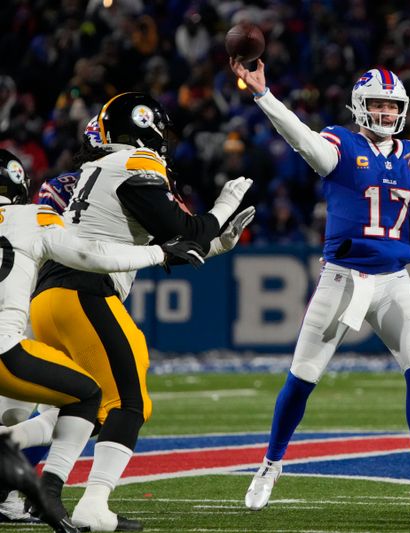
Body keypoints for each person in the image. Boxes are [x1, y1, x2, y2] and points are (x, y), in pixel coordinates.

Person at [28, 92, 253, 532]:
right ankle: (94, 506)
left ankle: (42, 491)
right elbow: (181, 229)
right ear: (147, 129)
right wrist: (223, 206)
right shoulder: (133, 164)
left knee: (76, 408)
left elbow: (166, 245)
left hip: (48, 298)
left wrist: (218, 243)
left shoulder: (97, 168)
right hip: (85, 293)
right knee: (129, 403)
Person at [231, 58, 410, 514]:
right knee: (303, 376)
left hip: (394, 282)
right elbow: (301, 139)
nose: (386, 114)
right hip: (343, 279)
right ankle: (271, 463)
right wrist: (263, 95)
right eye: (378, 105)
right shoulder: (341, 143)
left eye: (393, 106)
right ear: (360, 107)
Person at [0, 149, 204, 533]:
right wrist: (159, 251)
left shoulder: (65, 190)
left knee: (39, 410)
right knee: (94, 399)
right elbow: (86, 252)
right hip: (32, 320)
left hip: (37, 309)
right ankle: (50, 492)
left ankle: (13, 495)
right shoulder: (33, 215)